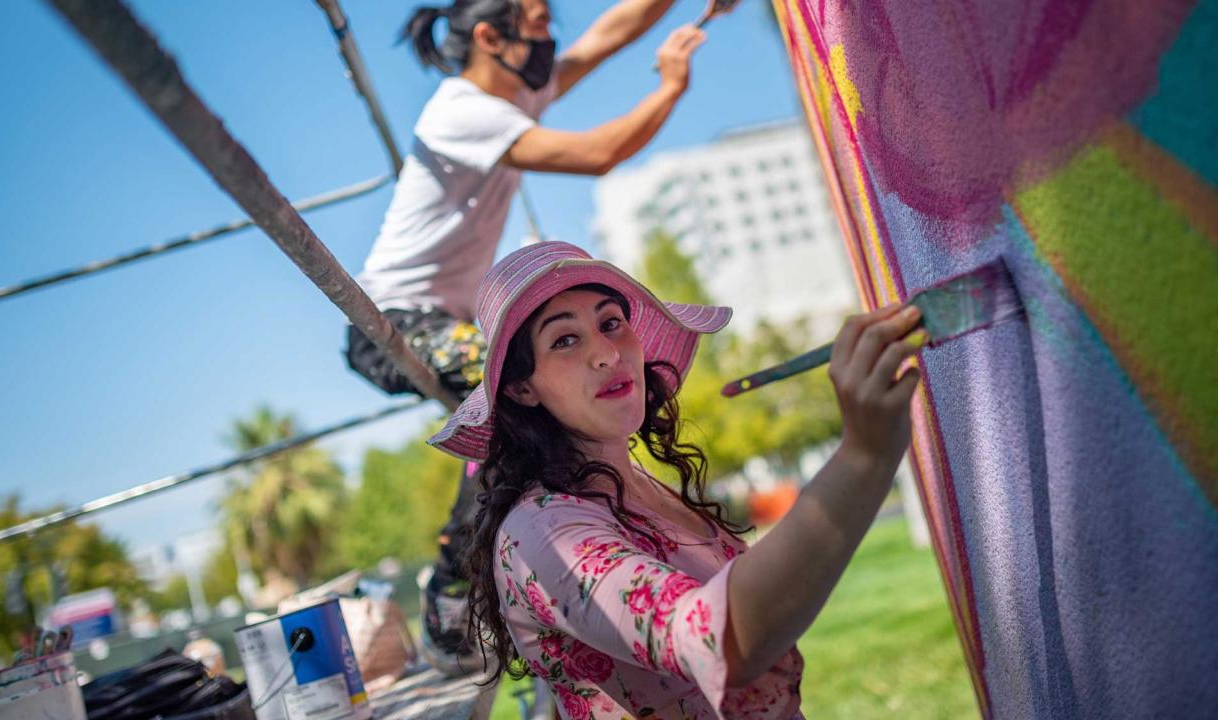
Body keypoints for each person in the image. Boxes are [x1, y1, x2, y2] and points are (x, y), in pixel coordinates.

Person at [343, 0, 707, 675]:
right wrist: (670, 87)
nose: (552, 36)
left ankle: (575, 542)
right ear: (490, 36)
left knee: (540, 402)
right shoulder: (462, 111)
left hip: (439, 318)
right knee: (516, 393)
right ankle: (452, 587)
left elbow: (605, 36)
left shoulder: (511, 98)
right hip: (390, 322)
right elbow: (596, 154)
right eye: (538, 23)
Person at [428, 241, 923, 718]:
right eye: (565, 340)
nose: (607, 353)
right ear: (522, 388)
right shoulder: (541, 532)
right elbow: (713, 640)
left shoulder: (638, 486)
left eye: (611, 322)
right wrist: (864, 456)